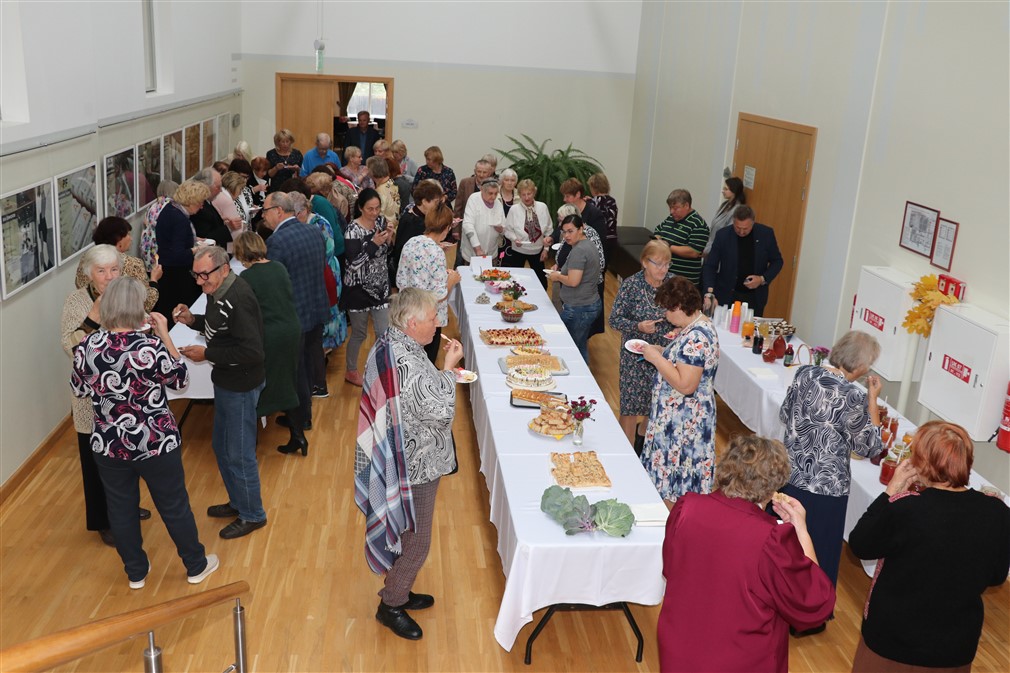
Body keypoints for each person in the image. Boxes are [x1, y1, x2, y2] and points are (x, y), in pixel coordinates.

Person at [70, 277, 219, 589]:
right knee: (173, 505)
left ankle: (135, 571)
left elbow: (79, 389)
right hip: (155, 442)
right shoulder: (149, 348)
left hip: (109, 446)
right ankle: (195, 565)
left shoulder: (87, 347)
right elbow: (180, 381)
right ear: (137, 308)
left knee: (120, 508)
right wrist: (164, 335)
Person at [658, 435, 835, 673]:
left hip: (679, 651)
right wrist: (801, 530)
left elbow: (672, 568)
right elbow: (815, 603)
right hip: (739, 659)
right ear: (772, 487)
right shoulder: (771, 539)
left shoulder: (686, 508)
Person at [849, 421, 1010, 672]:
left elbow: (860, 544)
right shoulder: (997, 511)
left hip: (892, 641)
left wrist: (889, 492)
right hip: (953, 648)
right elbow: (997, 576)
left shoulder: (906, 508)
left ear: (923, 464)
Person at [354, 288, 464, 641]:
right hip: (414, 463)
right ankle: (391, 604)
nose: (438, 322)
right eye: (432, 318)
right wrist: (449, 368)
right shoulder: (408, 364)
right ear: (413, 322)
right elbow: (440, 410)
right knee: (418, 540)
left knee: (405, 530)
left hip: (398, 454)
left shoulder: (390, 341)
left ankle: (399, 585)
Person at [778, 329, 883, 626]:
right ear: (860, 366)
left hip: (791, 474)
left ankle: (777, 599)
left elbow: (785, 414)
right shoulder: (853, 396)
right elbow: (871, 447)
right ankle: (811, 613)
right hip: (827, 486)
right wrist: (872, 399)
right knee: (819, 548)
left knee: (786, 542)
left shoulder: (805, 374)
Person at [173, 246, 268, 540]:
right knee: (222, 446)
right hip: (226, 382)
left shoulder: (239, 297)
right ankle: (239, 501)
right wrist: (193, 320)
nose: (199, 281)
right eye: (196, 275)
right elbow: (219, 326)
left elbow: (252, 351)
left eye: (204, 275)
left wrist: (207, 354)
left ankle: (253, 514)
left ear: (224, 269)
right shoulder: (218, 291)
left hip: (241, 384)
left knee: (239, 454)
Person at [62, 245, 133, 546]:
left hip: (125, 397)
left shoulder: (127, 295)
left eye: (114, 269)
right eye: (101, 271)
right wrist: (93, 314)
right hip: (91, 401)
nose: (109, 276)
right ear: (89, 274)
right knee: (95, 463)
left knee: (126, 457)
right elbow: (71, 346)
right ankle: (103, 521)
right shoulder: (76, 301)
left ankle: (125, 510)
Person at [639, 276, 719, 503]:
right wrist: (663, 351)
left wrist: (656, 359)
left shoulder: (696, 337)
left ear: (679, 307)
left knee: (677, 488)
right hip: (679, 420)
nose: (665, 315)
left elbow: (686, 385)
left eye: (667, 309)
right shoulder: (696, 326)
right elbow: (685, 362)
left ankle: (671, 520)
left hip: (683, 425)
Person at [233, 232, 306, 456]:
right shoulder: (278, 267)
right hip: (291, 329)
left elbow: (244, 312)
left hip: (271, 335)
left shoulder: (247, 277)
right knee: (287, 381)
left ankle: (250, 446)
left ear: (242, 252)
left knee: (259, 385)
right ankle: (298, 436)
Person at [261, 191, 331, 416]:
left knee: (297, 367)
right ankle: (305, 413)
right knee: (309, 361)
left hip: (294, 314)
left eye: (265, 211)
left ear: (279, 211)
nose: (263, 216)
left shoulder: (276, 241)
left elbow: (274, 284)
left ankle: (301, 417)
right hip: (316, 306)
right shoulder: (314, 231)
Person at [608, 240, 674, 447]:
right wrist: (638, 326)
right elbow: (614, 320)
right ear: (645, 262)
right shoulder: (631, 285)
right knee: (630, 407)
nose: (663, 269)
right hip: (634, 355)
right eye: (658, 264)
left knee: (655, 404)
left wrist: (678, 329)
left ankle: (642, 441)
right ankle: (626, 449)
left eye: (667, 264)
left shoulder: (674, 285)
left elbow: (687, 316)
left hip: (663, 354)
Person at [396, 204, 462, 363]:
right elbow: (439, 295)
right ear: (446, 228)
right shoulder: (436, 252)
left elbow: (400, 279)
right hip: (429, 318)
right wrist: (451, 280)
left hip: (408, 311)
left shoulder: (411, 242)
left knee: (411, 358)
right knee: (427, 360)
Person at [341, 188, 393, 386]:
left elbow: (385, 253)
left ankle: (382, 370)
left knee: (384, 332)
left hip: (380, 287)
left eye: (377, 208)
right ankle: (351, 370)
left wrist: (389, 239)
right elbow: (353, 264)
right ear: (361, 208)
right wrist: (373, 243)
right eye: (370, 209)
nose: (375, 212)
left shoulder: (381, 222)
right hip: (358, 290)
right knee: (359, 333)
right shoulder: (352, 230)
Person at [289, 191, 347, 362]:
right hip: (311, 275)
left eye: (297, 213)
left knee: (328, 312)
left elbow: (327, 252)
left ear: (305, 210)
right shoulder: (298, 225)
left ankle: (324, 352)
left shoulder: (320, 223)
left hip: (325, 272)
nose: (294, 217)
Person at [703, 204, 784, 317]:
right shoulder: (723, 235)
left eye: (745, 229)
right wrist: (709, 293)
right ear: (733, 221)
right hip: (726, 296)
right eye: (737, 228)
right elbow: (710, 265)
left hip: (754, 298)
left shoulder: (766, 234)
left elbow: (777, 261)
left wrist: (762, 279)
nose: (741, 232)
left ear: (753, 223)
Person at [547, 215, 603, 363]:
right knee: (580, 344)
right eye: (564, 232)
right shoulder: (589, 244)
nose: (566, 236)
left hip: (579, 308)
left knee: (573, 348)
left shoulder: (579, 250)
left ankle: (579, 374)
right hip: (589, 303)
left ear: (581, 229)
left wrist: (557, 277)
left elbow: (573, 281)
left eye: (570, 231)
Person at [75, 216, 160, 312]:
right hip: (121, 317)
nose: (131, 238)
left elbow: (79, 284)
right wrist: (154, 280)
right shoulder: (133, 264)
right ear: (119, 240)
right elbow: (146, 303)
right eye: (128, 234)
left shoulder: (86, 259)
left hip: (89, 314)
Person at [153, 179, 207, 324]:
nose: (202, 206)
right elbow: (178, 255)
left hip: (167, 270)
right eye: (200, 202)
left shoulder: (170, 208)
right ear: (191, 201)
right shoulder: (179, 219)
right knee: (178, 315)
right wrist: (196, 249)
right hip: (176, 275)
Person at [501, 178, 553, 286]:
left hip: (537, 251)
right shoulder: (514, 209)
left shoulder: (543, 207)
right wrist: (515, 239)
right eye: (523, 195)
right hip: (518, 250)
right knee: (514, 281)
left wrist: (546, 249)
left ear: (534, 192)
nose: (526, 197)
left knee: (542, 282)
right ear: (519, 195)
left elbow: (549, 230)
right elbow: (508, 230)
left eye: (529, 194)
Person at [653, 189, 709, 286]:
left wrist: (667, 246)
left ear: (686, 205)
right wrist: (658, 239)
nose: (671, 211)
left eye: (675, 208)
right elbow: (658, 230)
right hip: (664, 276)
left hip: (684, 282)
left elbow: (693, 252)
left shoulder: (698, 224)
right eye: (670, 208)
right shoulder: (671, 218)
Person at [392, 180, 443, 285]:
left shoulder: (422, 217)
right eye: (436, 202)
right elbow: (402, 251)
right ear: (424, 201)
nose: (437, 205)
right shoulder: (411, 221)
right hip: (412, 275)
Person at [459, 178, 505, 266]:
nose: (493, 197)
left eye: (496, 193)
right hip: (473, 251)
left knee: (491, 274)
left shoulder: (498, 203)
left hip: (491, 252)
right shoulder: (474, 199)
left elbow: (504, 226)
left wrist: (501, 229)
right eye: (490, 193)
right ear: (482, 190)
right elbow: (468, 225)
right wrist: (477, 248)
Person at [140, 179, 178, 272]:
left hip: (148, 251)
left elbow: (146, 224)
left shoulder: (152, 206)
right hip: (163, 253)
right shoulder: (173, 207)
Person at [190, 168, 235, 246]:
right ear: (206, 187)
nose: (221, 190)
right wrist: (228, 227)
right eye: (218, 187)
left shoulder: (207, 202)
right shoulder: (199, 207)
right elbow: (206, 238)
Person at [705, 176, 745, 254]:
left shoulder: (736, 210)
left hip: (720, 250)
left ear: (734, 191)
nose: (723, 191)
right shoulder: (725, 205)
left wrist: (708, 250)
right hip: (711, 246)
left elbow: (728, 234)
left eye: (726, 189)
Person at [587, 172, 619, 261]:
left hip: (599, 239)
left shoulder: (592, 203)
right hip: (612, 239)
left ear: (594, 188)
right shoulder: (612, 201)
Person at [367, 156, 400, 228]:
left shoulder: (380, 192)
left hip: (385, 230)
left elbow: (377, 215)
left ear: (372, 172)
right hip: (394, 227)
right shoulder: (391, 183)